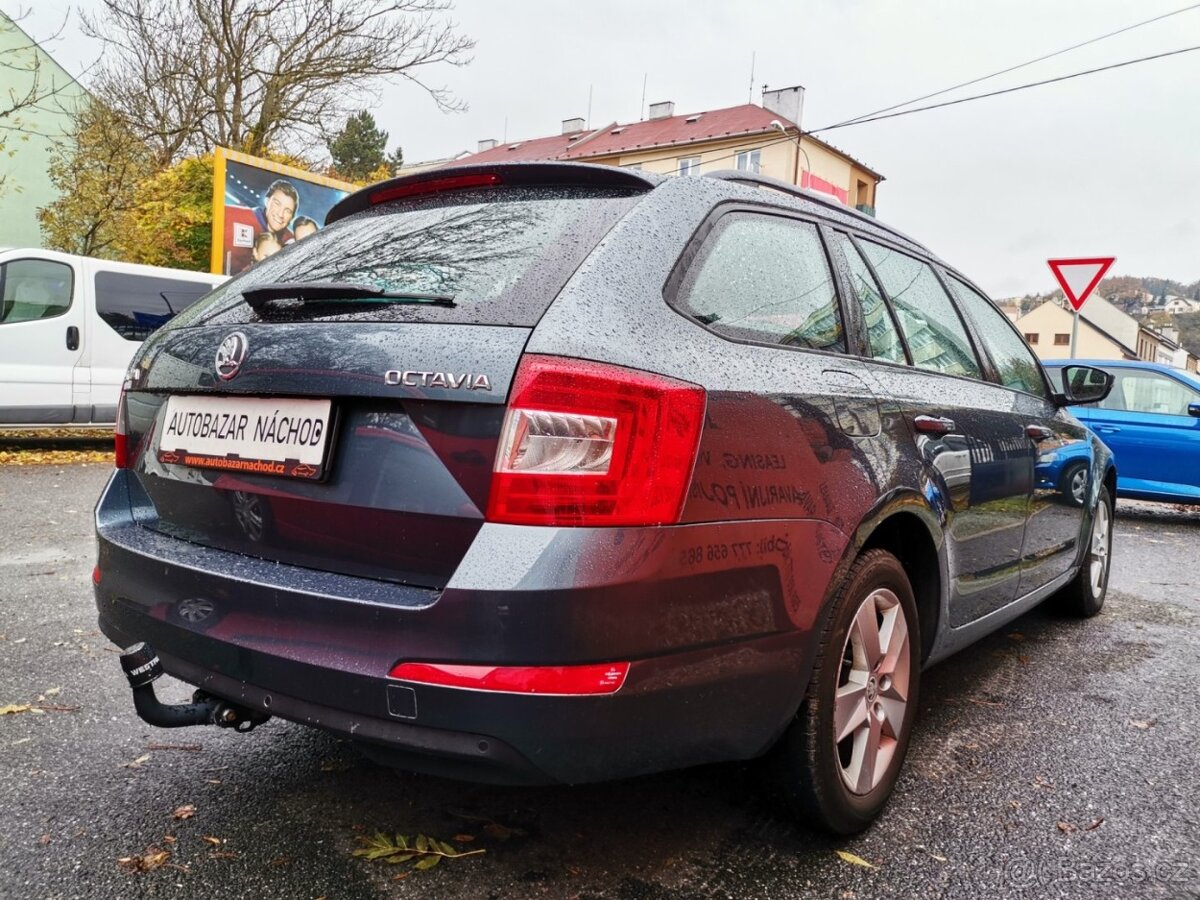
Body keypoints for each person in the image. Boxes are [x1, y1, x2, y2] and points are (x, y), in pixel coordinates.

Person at [253, 179, 299, 244]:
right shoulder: (244, 217)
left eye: (287, 211)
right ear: (267, 201)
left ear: (292, 217)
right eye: (277, 204)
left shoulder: (291, 242)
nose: (281, 214)